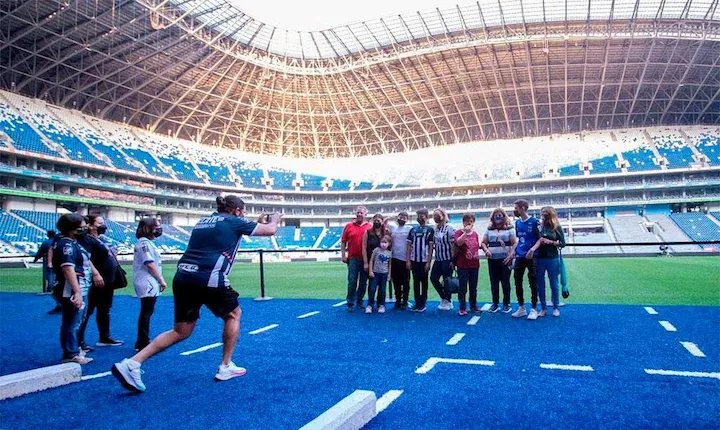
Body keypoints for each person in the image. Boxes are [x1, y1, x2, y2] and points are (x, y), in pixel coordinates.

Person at [112, 195, 282, 392]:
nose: (242, 215)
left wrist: (254, 223)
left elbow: (228, 232)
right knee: (233, 314)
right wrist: (275, 218)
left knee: (180, 331)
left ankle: (132, 363)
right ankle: (225, 366)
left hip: (184, 276)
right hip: (209, 277)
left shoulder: (203, 221)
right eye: (242, 212)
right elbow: (270, 230)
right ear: (237, 211)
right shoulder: (234, 221)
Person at [53, 213, 97, 364]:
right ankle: (71, 353)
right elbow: (68, 268)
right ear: (72, 228)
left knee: (74, 320)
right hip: (71, 289)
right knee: (73, 321)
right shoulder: (66, 245)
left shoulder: (73, 243)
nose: (85, 228)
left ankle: (72, 350)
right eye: (82, 226)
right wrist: (77, 292)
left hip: (79, 286)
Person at [77, 215, 123, 350]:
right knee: (88, 310)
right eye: (100, 223)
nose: (103, 225)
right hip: (97, 280)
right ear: (90, 225)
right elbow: (86, 258)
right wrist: (96, 274)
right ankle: (79, 341)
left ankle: (104, 337)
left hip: (107, 280)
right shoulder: (86, 239)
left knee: (104, 309)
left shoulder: (100, 239)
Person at [132, 217, 166, 351]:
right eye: (156, 226)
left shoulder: (146, 243)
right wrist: (161, 280)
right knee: (146, 311)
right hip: (147, 281)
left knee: (147, 311)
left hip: (147, 281)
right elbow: (150, 264)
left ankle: (143, 340)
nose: (158, 229)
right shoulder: (144, 244)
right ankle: (142, 341)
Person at [526, 206, 566, 317]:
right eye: (542, 212)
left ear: (551, 214)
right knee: (540, 284)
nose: (543, 215)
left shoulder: (556, 227)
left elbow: (563, 243)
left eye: (545, 213)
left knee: (554, 284)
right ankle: (543, 308)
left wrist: (551, 242)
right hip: (539, 258)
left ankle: (556, 307)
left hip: (552, 258)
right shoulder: (539, 226)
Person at [507, 199, 540, 320]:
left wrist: (532, 250)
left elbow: (540, 239)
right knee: (517, 281)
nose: (514, 210)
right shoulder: (517, 223)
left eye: (516, 208)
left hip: (532, 256)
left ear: (523, 208)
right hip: (520, 256)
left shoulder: (535, 222)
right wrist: (513, 252)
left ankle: (534, 308)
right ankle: (521, 307)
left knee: (533, 282)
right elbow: (519, 240)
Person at [481, 209, 517, 313]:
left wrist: (511, 255)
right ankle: (495, 303)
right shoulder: (489, 229)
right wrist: (486, 250)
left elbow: (514, 243)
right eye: (496, 215)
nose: (498, 217)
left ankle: (506, 303)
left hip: (505, 259)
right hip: (492, 260)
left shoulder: (510, 229)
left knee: (505, 282)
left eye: (500, 215)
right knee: (494, 282)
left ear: (504, 216)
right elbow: (483, 243)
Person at [341, 206, 371, 312]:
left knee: (363, 282)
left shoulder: (369, 226)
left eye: (361, 213)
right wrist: (343, 255)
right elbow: (343, 242)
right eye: (358, 212)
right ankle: (350, 302)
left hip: (365, 259)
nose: (359, 214)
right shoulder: (348, 226)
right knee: (352, 281)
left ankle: (359, 301)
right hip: (353, 258)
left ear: (365, 214)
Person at [406, 208, 434, 312]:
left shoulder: (430, 230)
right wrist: (408, 260)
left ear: (426, 217)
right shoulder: (413, 229)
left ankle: (423, 302)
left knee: (424, 282)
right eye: (418, 215)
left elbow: (431, 247)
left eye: (421, 215)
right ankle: (417, 302)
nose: (419, 217)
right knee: (416, 282)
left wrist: (428, 262)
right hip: (414, 260)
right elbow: (409, 245)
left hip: (424, 260)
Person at [454, 213, 481, 315]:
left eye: (471, 221)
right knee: (463, 287)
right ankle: (462, 307)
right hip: (463, 265)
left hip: (474, 264)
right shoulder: (458, 232)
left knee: (473, 287)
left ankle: (473, 306)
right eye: (466, 221)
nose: (469, 223)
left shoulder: (475, 234)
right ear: (463, 222)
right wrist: (465, 232)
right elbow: (458, 243)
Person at [429, 208, 455, 311]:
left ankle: (448, 301)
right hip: (438, 258)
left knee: (447, 280)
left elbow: (453, 245)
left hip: (447, 258)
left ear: (443, 215)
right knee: (433, 278)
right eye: (434, 215)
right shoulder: (436, 229)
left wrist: (453, 260)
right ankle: (445, 297)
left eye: (438, 215)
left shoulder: (450, 228)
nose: (436, 217)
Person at [34, 230, 60, 314]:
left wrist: (35, 259)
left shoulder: (46, 242)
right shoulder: (58, 241)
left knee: (49, 275)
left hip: (49, 262)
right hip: (58, 263)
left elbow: (40, 252)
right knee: (56, 276)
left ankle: (50, 288)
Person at [390, 211, 412, 310]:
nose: (402, 219)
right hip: (394, 257)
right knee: (396, 281)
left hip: (405, 258)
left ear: (407, 219)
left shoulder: (409, 228)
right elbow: (384, 222)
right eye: (400, 217)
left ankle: (405, 301)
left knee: (405, 282)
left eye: (404, 217)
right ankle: (398, 300)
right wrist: (392, 217)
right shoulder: (393, 228)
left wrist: (408, 260)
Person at [367, 235, 392, 314]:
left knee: (382, 290)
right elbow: (371, 260)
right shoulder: (376, 250)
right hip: (375, 273)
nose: (383, 244)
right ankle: (370, 305)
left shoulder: (389, 253)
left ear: (389, 244)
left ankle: (381, 305)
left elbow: (390, 264)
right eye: (382, 242)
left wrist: (389, 274)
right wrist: (370, 271)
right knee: (372, 289)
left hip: (384, 274)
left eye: (385, 242)